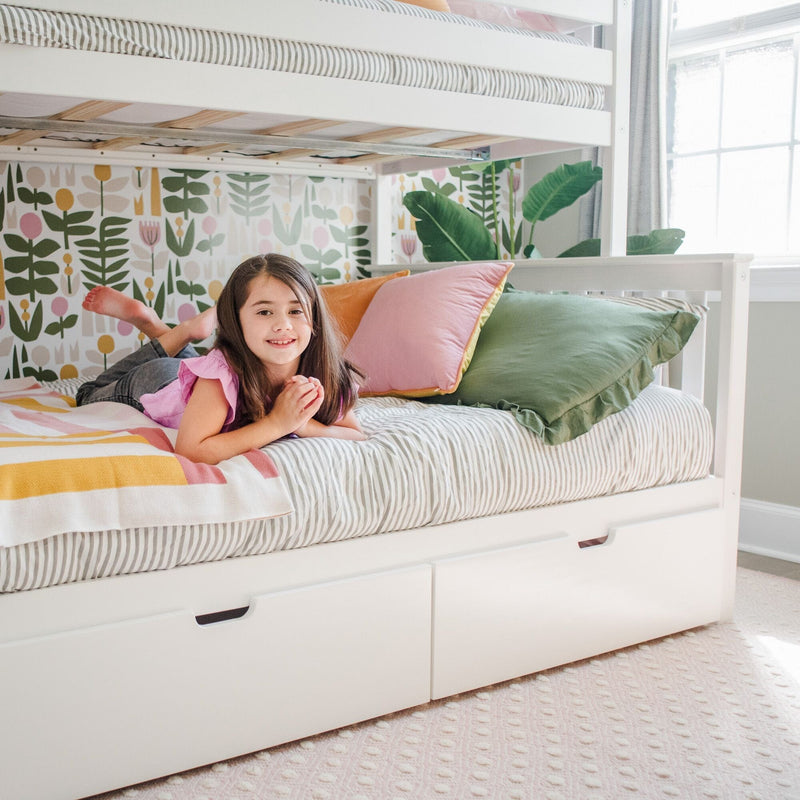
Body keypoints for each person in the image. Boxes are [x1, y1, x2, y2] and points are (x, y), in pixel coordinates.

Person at [76, 253, 366, 464]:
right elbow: (190, 451)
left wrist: (302, 425)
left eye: (295, 311)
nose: (283, 325)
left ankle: (162, 330)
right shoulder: (221, 374)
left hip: (199, 376)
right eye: (265, 312)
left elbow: (356, 435)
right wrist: (277, 423)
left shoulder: (324, 369)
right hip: (160, 381)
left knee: (206, 363)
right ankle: (168, 327)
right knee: (87, 394)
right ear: (235, 321)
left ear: (314, 317)